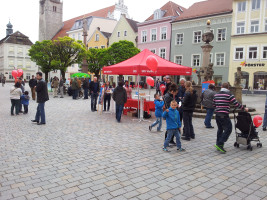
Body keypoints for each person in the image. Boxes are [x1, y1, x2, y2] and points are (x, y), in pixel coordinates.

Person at [213, 82, 248, 153]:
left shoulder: (216, 94)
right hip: (224, 115)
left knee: (220, 129)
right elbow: (236, 104)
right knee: (228, 129)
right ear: (228, 88)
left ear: (221, 86)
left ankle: (218, 144)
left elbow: (214, 105)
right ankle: (220, 143)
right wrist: (244, 108)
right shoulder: (229, 95)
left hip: (217, 115)